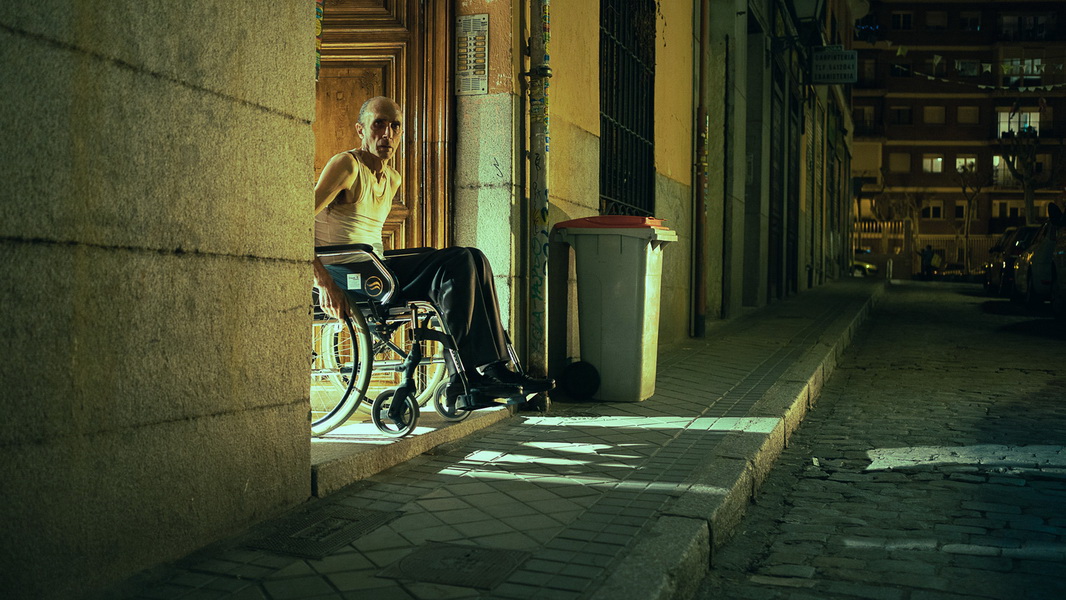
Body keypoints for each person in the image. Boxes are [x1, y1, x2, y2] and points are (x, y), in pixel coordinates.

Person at [312, 96, 552, 408]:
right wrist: (323, 282)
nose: (387, 133)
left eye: (395, 126)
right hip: (347, 273)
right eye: (378, 124)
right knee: (457, 261)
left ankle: (493, 368)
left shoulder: (392, 178)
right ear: (361, 130)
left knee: (474, 258)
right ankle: (463, 379)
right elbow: (297, 222)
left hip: (375, 268)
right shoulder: (346, 166)